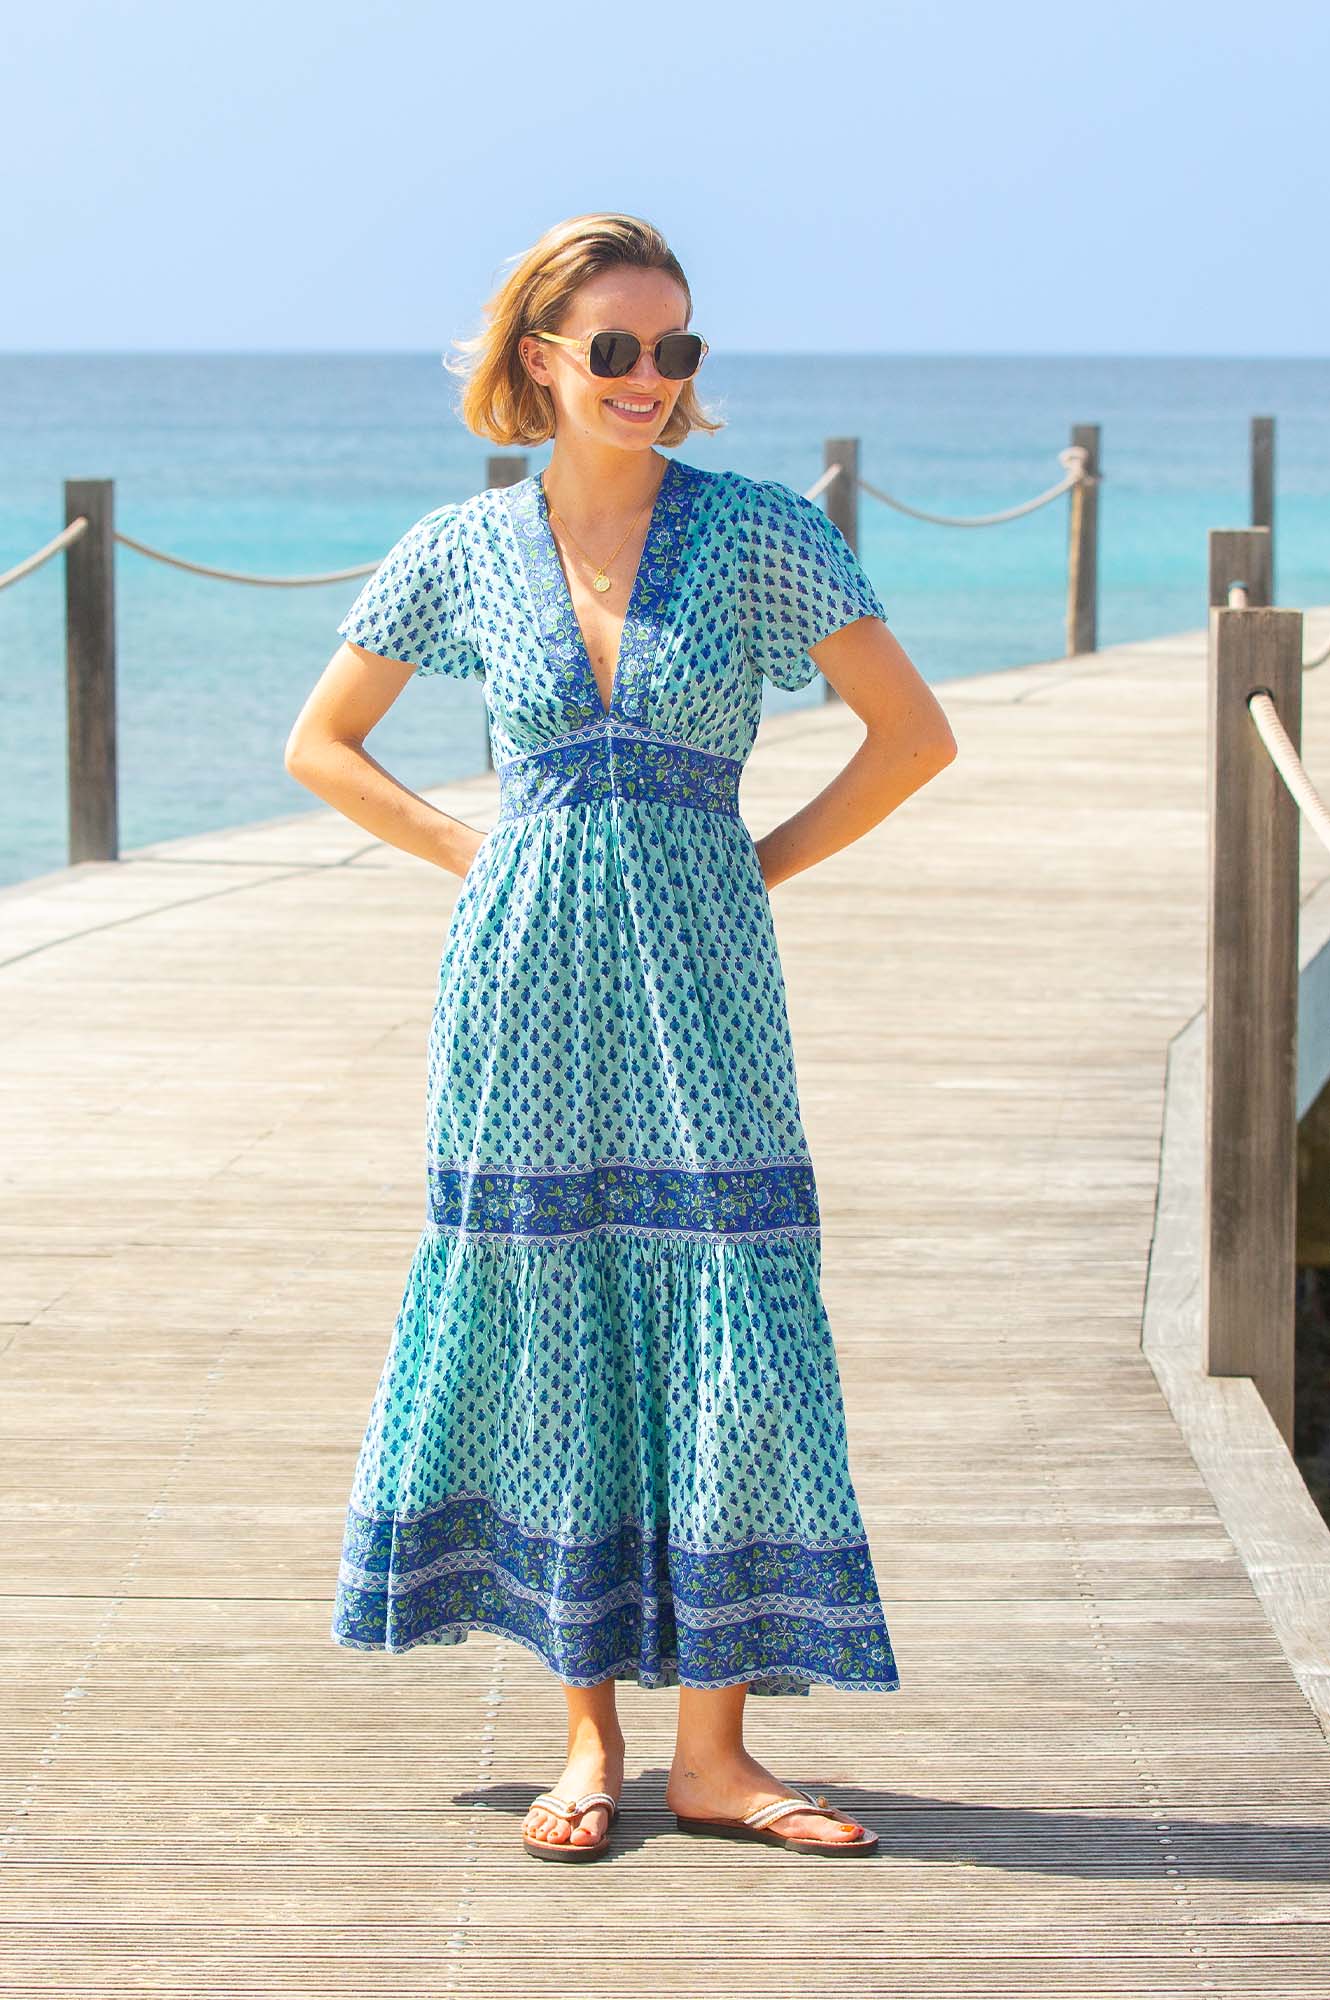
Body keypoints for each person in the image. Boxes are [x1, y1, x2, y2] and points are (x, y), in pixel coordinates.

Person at [284, 212, 957, 1864]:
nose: (649, 379)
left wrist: (753, 864)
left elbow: (911, 736)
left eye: (677, 351)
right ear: (539, 361)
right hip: (517, 987)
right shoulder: (458, 548)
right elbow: (322, 744)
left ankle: (716, 1757)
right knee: (548, 1309)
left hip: (702, 976)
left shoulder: (755, 536)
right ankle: (583, 1738)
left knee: (730, 1308)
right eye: (615, 351)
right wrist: (477, 853)